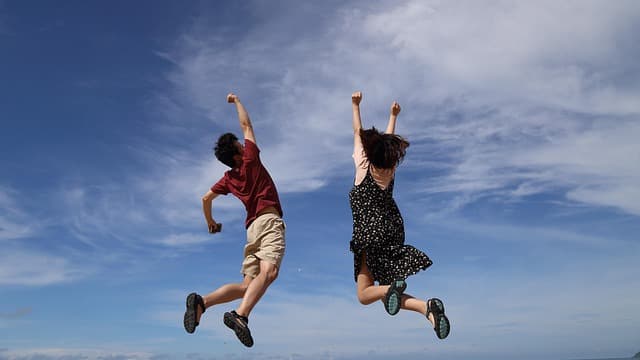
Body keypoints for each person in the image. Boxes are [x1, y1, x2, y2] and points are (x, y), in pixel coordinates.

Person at [183, 93, 285, 347]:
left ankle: (202, 303)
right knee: (269, 272)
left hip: (251, 230)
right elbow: (247, 126)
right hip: (268, 222)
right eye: (240, 144)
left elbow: (205, 199)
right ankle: (241, 316)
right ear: (239, 153)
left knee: (248, 286)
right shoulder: (250, 160)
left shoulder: (228, 178)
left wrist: (211, 222)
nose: (243, 144)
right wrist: (237, 101)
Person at [349, 91, 450, 339]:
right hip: (391, 231)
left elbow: (356, 131)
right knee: (385, 295)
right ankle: (426, 309)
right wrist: (393, 116)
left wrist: (355, 106)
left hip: (369, 234)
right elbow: (388, 142)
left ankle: (393, 289)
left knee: (364, 295)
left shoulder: (364, 167)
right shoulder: (389, 170)